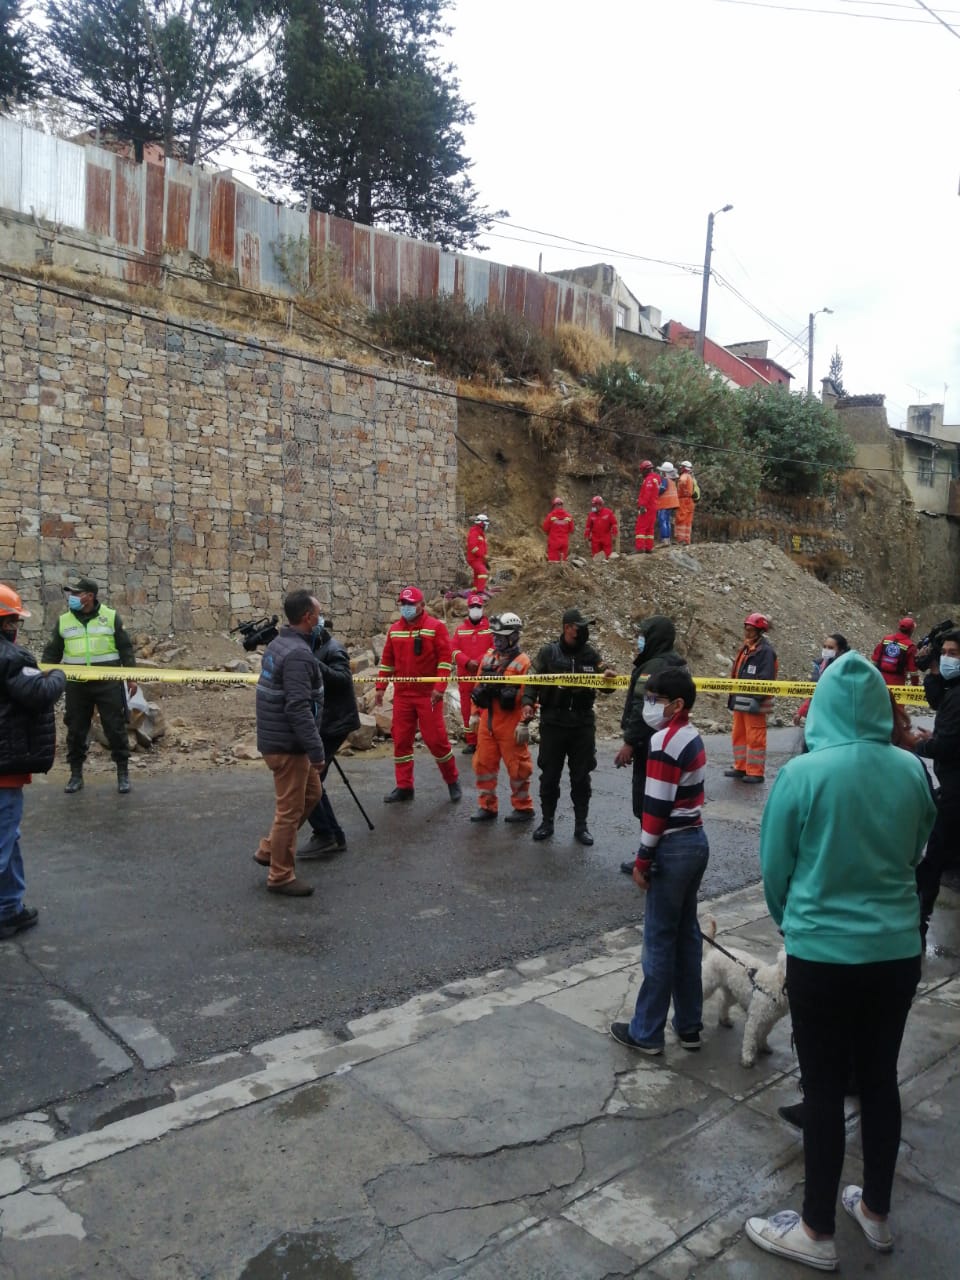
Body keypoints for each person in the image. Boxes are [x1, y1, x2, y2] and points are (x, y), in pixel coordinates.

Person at [745, 652, 935, 1272]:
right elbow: (916, 850)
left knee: (823, 1087)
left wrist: (794, 922)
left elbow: (776, 869)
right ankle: (875, 1213)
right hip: (896, 952)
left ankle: (816, 1229)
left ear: (821, 705)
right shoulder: (910, 769)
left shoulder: (802, 774)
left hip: (822, 955)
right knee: (880, 1079)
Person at [610, 668, 709, 1054]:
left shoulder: (665, 741)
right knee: (686, 939)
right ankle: (689, 1027)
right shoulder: (691, 734)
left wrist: (643, 856)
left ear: (677, 704)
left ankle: (646, 1032)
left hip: (671, 846)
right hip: (695, 842)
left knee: (659, 942)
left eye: (654, 699)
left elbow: (656, 808)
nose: (648, 706)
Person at [0, 585, 67, 941]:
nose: (16, 626)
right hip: (4, 771)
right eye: (13, 620)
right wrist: (57, 676)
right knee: (2, 841)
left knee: (9, 840)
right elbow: (39, 693)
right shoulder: (11, 658)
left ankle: (9, 908)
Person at [253, 590, 327, 896]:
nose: (322, 619)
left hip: (281, 739)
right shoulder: (297, 654)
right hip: (288, 745)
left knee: (312, 793)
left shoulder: (280, 644)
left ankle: (270, 848)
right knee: (289, 811)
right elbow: (297, 707)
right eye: (319, 614)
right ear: (308, 617)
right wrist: (316, 750)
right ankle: (280, 875)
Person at [521, 606, 615, 845]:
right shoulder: (548, 653)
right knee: (550, 776)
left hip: (582, 725)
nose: (583, 632)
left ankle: (581, 826)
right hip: (553, 724)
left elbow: (607, 685)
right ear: (567, 628)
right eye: (579, 627)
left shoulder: (591, 655)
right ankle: (547, 822)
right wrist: (528, 702)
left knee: (581, 778)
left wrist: (609, 679)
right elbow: (532, 680)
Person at [41, 576, 137, 795]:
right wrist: (44, 673)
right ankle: (76, 775)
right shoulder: (64, 620)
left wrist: (131, 676)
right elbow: (53, 650)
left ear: (90, 596)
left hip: (108, 682)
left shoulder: (110, 617)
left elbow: (125, 648)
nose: (72, 597)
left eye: (77, 593)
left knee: (115, 728)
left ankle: (123, 774)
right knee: (75, 730)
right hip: (77, 684)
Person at [375, 586, 461, 804]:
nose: (406, 608)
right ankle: (404, 786)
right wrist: (380, 687)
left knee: (436, 740)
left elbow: (444, 661)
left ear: (422, 605)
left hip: (428, 695)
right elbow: (387, 661)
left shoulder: (436, 628)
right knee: (401, 740)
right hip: (403, 695)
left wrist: (440, 688)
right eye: (403, 604)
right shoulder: (394, 630)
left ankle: (452, 780)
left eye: (410, 604)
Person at [615, 616, 687, 875]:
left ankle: (648, 858)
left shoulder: (653, 667)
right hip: (671, 742)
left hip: (649, 745)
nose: (639, 639)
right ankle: (661, 855)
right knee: (665, 800)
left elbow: (641, 707)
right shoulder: (676, 663)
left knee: (647, 803)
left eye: (644, 634)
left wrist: (629, 742)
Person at [297, 615, 362, 860]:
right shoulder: (311, 647)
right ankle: (330, 833)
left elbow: (343, 680)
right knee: (311, 780)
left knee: (309, 781)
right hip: (323, 722)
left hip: (334, 723)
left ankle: (328, 835)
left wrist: (313, 664)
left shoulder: (335, 649)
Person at [913, 628, 960, 944]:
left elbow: (947, 746)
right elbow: (935, 701)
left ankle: (918, 922)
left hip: (955, 789)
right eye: (943, 652)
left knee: (932, 858)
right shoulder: (952, 690)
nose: (946, 658)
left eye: (953, 654)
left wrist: (918, 745)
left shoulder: (957, 696)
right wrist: (932, 670)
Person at [468, 612, 535, 824]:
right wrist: (474, 714)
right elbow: (477, 686)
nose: (496, 640)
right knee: (483, 765)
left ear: (514, 636)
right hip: (488, 722)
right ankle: (487, 806)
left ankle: (523, 807)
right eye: (495, 636)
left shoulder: (523, 663)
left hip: (510, 724)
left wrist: (525, 722)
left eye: (501, 636)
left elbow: (530, 695)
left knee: (518, 767)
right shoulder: (489, 657)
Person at [725, 612, 778, 784]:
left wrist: (757, 697)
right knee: (739, 735)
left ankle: (755, 771)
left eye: (750, 630)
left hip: (754, 701)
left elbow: (766, 678)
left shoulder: (765, 652)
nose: (747, 632)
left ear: (759, 631)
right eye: (746, 629)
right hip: (741, 699)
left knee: (755, 737)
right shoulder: (747, 648)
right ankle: (741, 766)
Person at [451, 594, 491, 755]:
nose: (475, 610)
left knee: (484, 710)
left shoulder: (489, 629)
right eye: (473, 607)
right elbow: (453, 650)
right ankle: (471, 741)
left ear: (482, 608)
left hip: (483, 678)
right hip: (465, 678)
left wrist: (479, 662)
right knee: (467, 711)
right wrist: (467, 662)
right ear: (468, 609)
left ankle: (484, 740)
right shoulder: (460, 631)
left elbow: (493, 649)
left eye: (478, 607)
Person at [793, 633, 850, 725]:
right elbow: (814, 692)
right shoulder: (819, 666)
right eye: (825, 646)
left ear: (841, 650)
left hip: (836, 719)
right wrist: (801, 711)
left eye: (831, 648)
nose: (826, 650)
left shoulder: (845, 669)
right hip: (818, 716)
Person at [871, 616, 919, 687]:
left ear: (899, 627)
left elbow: (874, 660)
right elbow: (913, 671)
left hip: (879, 680)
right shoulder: (910, 646)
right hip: (897, 683)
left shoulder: (886, 639)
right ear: (912, 630)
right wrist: (915, 686)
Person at [635, 460, 660, 554]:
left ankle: (640, 547)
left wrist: (642, 505)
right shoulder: (656, 479)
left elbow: (647, 494)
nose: (641, 473)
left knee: (641, 527)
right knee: (650, 528)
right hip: (653, 507)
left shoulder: (649, 480)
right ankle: (649, 547)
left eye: (642, 471)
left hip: (647, 507)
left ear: (646, 470)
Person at [541, 497, 575, 562]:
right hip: (564, 543)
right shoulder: (568, 516)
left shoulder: (551, 516)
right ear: (562, 506)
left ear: (554, 506)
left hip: (554, 543)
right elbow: (572, 529)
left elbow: (545, 528)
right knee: (563, 564)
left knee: (553, 564)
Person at [674, 461, 698, 545]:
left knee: (681, 519)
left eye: (681, 467)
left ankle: (681, 539)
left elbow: (683, 482)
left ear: (684, 468)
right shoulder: (691, 477)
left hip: (683, 500)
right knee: (688, 520)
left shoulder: (684, 476)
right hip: (690, 501)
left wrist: (682, 490)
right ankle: (687, 539)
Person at [656, 462, 679, 547]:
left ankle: (664, 540)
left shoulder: (665, 480)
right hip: (671, 504)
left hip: (665, 504)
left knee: (663, 521)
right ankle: (668, 539)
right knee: (667, 521)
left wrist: (655, 492)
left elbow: (662, 489)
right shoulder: (672, 481)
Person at [466, 513, 490, 593]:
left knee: (477, 576)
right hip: (474, 559)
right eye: (486, 524)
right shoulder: (474, 533)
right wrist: (483, 555)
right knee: (483, 572)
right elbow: (473, 547)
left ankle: (474, 592)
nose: (487, 526)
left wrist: (485, 559)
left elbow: (483, 548)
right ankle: (480, 592)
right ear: (482, 524)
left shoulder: (481, 534)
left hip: (479, 559)